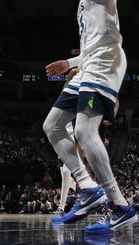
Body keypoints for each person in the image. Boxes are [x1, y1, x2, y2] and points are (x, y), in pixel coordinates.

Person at [45, 0, 137, 234]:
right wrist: (69, 63)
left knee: (85, 131)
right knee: (53, 125)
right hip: (88, 64)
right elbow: (93, 43)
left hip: (105, 63)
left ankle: (119, 204)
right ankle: (87, 186)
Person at [43, 66, 96, 224]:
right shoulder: (67, 94)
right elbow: (72, 72)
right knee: (66, 175)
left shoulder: (86, 96)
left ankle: (61, 207)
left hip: (72, 137)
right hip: (59, 139)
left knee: (67, 172)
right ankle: (90, 193)